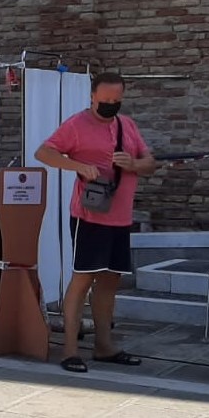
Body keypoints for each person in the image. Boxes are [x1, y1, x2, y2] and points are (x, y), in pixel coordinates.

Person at [36, 72, 158, 374]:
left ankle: (105, 346)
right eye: (104, 101)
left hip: (120, 218)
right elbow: (44, 152)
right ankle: (70, 350)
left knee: (109, 281)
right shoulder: (77, 125)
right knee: (82, 280)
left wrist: (134, 164)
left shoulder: (127, 125)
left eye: (116, 101)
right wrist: (78, 166)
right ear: (92, 97)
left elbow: (150, 163)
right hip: (89, 216)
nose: (110, 106)